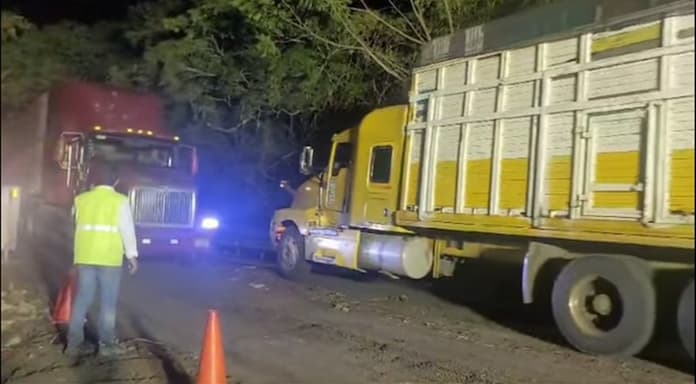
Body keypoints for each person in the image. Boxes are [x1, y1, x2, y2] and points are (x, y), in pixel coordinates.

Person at [65, 165, 139, 358]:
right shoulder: (119, 201)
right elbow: (127, 230)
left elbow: (75, 223)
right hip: (109, 258)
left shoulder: (81, 199)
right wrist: (131, 255)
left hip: (84, 256)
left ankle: (73, 344)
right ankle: (106, 345)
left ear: (94, 180)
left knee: (82, 299)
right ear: (115, 181)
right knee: (108, 303)